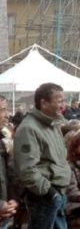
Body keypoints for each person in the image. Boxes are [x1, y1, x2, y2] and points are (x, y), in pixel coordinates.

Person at [14, 82, 71, 229]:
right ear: (44, 103)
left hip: (56, 194)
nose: (63, 105)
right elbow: (27, 169)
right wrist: (49, 192)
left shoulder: (53, 125)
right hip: (44, 198)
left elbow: (59, 159)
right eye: (59, 101)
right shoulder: (29, 129)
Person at [0, 96, 17, 229]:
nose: (7, 115)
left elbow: (9, 173)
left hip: (5, 211)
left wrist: (13, 198)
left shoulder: (4, 138)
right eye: (2, 110)